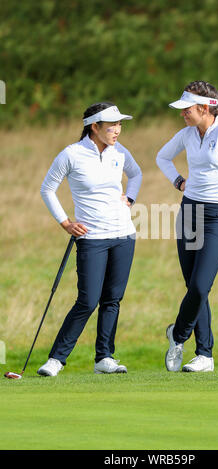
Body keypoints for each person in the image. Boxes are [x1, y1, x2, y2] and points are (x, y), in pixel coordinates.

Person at [37, 102, 142, 376]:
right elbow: (47, 189)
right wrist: (65, 222)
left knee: (112, 300)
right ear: (94, 127)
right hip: (92, 237)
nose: (117, 130)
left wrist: (130, 198)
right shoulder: (71, 155)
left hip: (123, 234)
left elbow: (136, 173)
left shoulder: (119, 152)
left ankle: (104, 358)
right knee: (88, 300)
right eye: (112, 126)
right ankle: (56, 359)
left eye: (120, 125)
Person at [156, 81, 218, 372]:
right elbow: (162, 157)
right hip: (190, 212)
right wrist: (178, 181)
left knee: (200, 284)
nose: (182, 113)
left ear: (204, 107)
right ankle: (205, 356)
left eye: (187, 109)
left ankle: (178, 335)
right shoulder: (186, 134)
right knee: (195, 287)